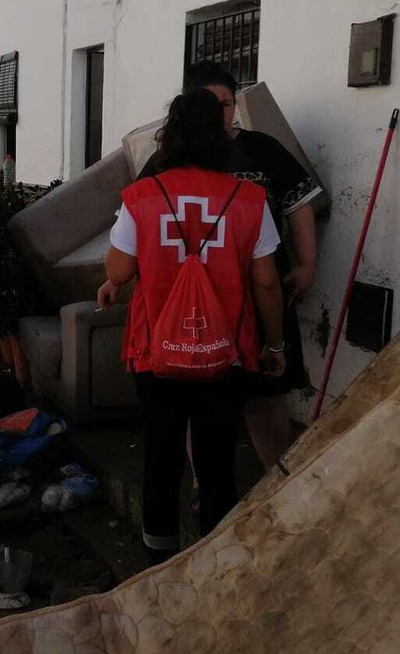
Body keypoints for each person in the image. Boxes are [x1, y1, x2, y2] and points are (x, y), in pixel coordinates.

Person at [99, 86, 287, 560]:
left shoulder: (141, 196)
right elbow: (266, 283)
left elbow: (119, 273)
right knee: (217, 461)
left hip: (155, 351)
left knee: (161, 457)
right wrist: (275, 345)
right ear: (221, 137)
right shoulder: (250, 198)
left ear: (170, 138)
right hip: (226, 352)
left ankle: (158, 563)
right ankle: (212, 561)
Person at [143, 61, 322, 468]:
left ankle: (278, 486)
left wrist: (307, 263)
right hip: (193, 305)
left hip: (262, 296)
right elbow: (141, 221)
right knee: (197, 396)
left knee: (264, 397)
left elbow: (299, 204)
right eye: (210, 103)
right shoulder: (166, 160)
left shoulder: (261, 149)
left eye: (227, 103)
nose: (220, 112)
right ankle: (204, 488)